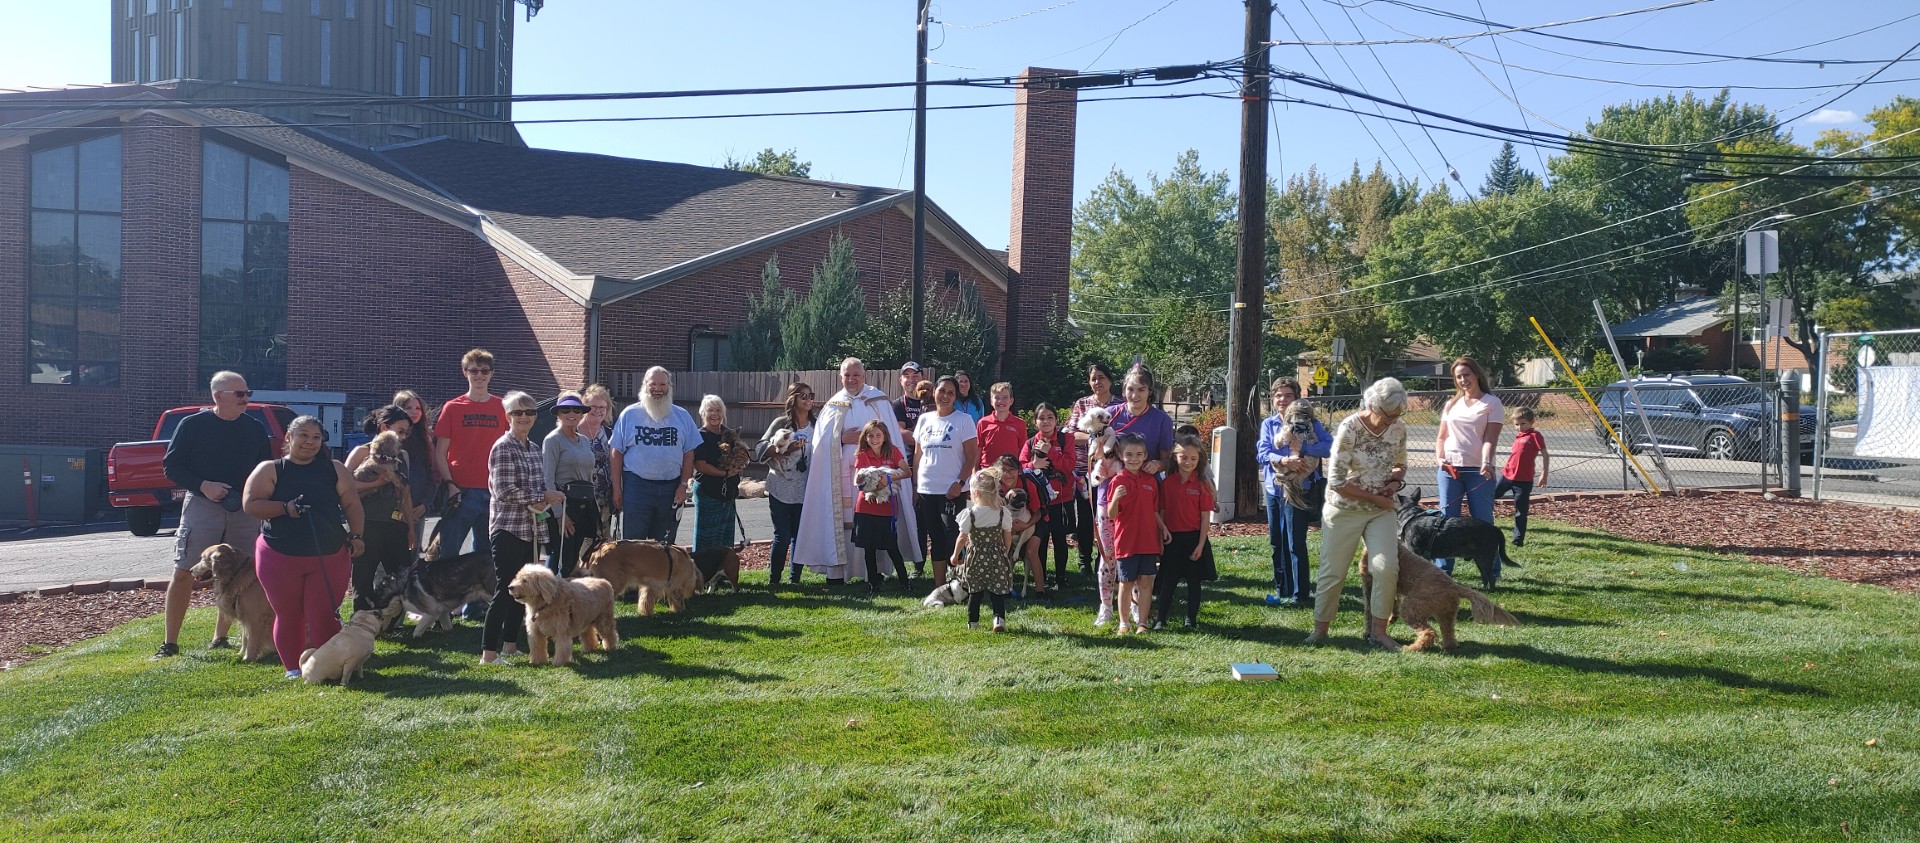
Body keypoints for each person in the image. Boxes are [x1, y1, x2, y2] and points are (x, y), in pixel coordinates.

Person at [155, 370, 273, 658]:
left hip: (244, 507)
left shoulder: (254, 427)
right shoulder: (192, 425)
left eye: (248, 393)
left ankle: (221, 637)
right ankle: (170, 644)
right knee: (185, 570)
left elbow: (264, 468)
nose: (246, 399)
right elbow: (172, 466)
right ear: (219, 396)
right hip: (202, 504)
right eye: (240, 394)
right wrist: (203, 485)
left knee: (243, 574)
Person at [241, 416, 366, 679]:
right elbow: (251, 504)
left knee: (323, 615)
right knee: (289, 615)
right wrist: (284, 509)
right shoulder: (270, 469)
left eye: (316, 437)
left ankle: (327, 666)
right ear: (288, 438)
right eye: (303, 436)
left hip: (329, 553)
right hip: (279, 556)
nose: (310, 442)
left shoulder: (335, 469)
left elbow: (352, 504)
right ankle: (294, 669)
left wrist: (357, 536)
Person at [1307, 378, 1411, 651]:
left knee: (1386, 568)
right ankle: (1320, 630)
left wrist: (1394, 483)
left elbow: (1400, 465)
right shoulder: (1350, 427)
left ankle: (1379, 631)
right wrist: (1378, 498)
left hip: (1380, 511)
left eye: (1397, 416)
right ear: (1372, 405)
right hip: (1344, 509)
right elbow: (1338, 480)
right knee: (1334, 572)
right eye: (1389, 415)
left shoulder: (1398, 428)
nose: (1392, 421)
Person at [796, 358, 921, 583]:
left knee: (873, 521)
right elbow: (819, 444)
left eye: (856, 375)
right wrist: (841, 438)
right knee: (843, 521)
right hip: (842, 477)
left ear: (864, 376)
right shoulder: (833, 405)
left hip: (874, 476)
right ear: (840, 377)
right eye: (847, 375)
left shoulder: (878, 401)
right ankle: (838, 571)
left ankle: (873, 571)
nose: (851, 380)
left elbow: (891, 437)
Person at [481, 392, 565, 665]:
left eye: (529, 412)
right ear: (508, 417)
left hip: (530, 529)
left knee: (525, 594)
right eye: (518, 413)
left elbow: (536, 487)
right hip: (507, 528)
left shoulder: (532, 447)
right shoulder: (502, 447)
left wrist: (545, 496)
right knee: (507, 588)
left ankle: (509, 646)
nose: (524, 417)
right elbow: (504, 491)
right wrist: (541, 498)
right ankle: (488, 654)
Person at [1257, 377, 1331, 607]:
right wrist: (1284, 460)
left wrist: (1304, 448)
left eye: (1288, 395)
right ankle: (1282, 589)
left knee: (1295, 542)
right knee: (1276, 542)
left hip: (1299, 489)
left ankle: (1300, 594)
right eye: (1278, 395)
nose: (1282, 399)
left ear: (1296, 398)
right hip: (1274, 489)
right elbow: (1262, 454)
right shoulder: (1269, 424)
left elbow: (1329, 446)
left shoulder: (1311, 423)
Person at [609, 367, 699, 543]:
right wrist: (617, 488)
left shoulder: (682, 416)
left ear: (669, 387)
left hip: (671, 488)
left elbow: (689, 454)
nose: (658, 388)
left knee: (664, 545)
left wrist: (683, 485)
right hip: (637, 487)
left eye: (662, 384)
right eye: (653, 384)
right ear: (645, 385)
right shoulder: (629, 414)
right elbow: (616, 453)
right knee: (634, 545)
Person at [344, 405, 421, 610]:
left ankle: (392, 619)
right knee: (363, 576)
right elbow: (344, 487)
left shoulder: (402, 456)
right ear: (384, 427)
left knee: (400, 575)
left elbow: (406, 493)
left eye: (406, 432)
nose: (403, 436)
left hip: (395, 525)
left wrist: (411, 528)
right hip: (366, 523)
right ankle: (361, 619)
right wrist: (375, 484)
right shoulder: (362, 451)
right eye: (400, 430)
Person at [1434, 356, 1504, 578]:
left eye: (1467, 375)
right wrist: (1439, 458)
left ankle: (1491, 571)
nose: (1463, 380)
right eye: (1458, 377)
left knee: (1482, 522)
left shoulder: (1491, 403)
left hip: (1478, 472)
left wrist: (1486, 462)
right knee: (1446, 521)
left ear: (1477, 375)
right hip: (1450, 470)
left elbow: (1490, 440)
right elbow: (1441, 437)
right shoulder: (1451, 404)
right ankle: (1442, 572)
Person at [432, 349, 505, 558]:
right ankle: (448, 592)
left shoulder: (502, 407)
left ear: (491, 373)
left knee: (486, 556)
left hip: (493, 491)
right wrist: (450, 484)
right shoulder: (452, 407)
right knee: (448, 554)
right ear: (465, 372)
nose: (479, 375)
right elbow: (440, 453)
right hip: (460, 492)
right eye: (474, 370)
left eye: (484, 371)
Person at [912, 375, 978, 586]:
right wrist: (915, 486)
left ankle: (959, 584)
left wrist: (959, 483)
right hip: (927, 488)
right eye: (942, 391)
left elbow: (971, 456)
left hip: (953, 489)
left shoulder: (964, 420)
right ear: (934, 392)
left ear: (956, 396)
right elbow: (917, 455)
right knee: (936, 538)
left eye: (951, 393)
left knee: (954, 537)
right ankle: (940, 586)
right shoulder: (924, 419)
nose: (945, 396)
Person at [1105, 433, 1168, 636]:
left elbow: (1154, 510)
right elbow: (1111, 514)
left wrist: (1163, 528)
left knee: (1146, 582)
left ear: (1145, 455)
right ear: (1121, 455)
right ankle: (1124, 623)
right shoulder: (1118, 481)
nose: (1134, 459)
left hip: (1148, 540)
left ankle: (1142, 622)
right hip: (1127, 541)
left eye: (1139, 454)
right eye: (1129, 454)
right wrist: (1115, 499)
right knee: (1126, 582)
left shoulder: (1151, 481)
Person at [755, 382, 816, 585]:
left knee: (799, 536)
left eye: (810, 395)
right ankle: (774, 580)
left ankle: (795, 579)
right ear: (793, 399)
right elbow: (760, 448)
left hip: (805, 487)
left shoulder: (817, 425)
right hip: (780, 486)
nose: (808, 400)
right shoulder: (781, 423)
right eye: (803, 396)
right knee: (782, 535)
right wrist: (784, 450)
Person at [1154, 434, 1216, 630]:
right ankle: (1161, 620)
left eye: (1193, 458)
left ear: (1199, 460)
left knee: (1194, 582)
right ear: (1175, 457)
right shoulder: (1167, 483)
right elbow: (1162, 512)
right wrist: (1161, 538)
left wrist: (1200, 543)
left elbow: (1205, 517)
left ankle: (1190, 620)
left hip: (1193, 538)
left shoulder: (1203, 484)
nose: (1188, 462)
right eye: (1183, 458)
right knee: (1168, 582)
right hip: (1172, 538)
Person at [1065, 363, 1116, 576]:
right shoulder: (1082, 404)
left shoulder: (1120, 405)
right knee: (1086, 516)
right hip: (1084, 470)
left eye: (1101, 377)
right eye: (1093, 378)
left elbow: (1121, 433)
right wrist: (1095, 438)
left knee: (1108, 516)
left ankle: (1104, 558)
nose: (1097, 382)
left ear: (1110, 380)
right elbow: (1070, 434)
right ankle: (1084, 559)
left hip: (1111, 470)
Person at [543, 392, 600, 577]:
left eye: (576, 409)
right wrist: (560, 515)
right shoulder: (553, 440)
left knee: (577, 556)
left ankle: (571, 599)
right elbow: (548, 480)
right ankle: (547, 597)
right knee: (560, 556)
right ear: (558, 414)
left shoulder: (583, 440)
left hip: (585, 505)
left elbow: (588, 475)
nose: (571, 413)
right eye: (565, 409)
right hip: (564, 505)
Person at [1021, 402, 1076, 590]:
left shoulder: (1065, 439)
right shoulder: (1029, 442)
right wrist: (1033, 465)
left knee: (1060, 539)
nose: (1046, 421)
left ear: (1056, 420)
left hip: (1062, 498)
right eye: (1041, 418)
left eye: (1050, 417)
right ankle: (1041, 576)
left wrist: (1050, 451)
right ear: (1035, 421)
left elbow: (1069, 466)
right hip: (1039, 501)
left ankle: (1061, 577)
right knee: (1041, 540)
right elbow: (1020, 468)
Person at [852, 420, 912, 593]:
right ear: (865, 437)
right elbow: (858, 481)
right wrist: (868, 482)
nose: (874, 439)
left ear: (885, 436)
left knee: (892, 546)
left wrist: (888, 479)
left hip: (886, 508)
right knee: (868, 548)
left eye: (878, 435)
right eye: (870, 435)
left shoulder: (893, 451)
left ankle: (905, 582)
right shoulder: (863, 454)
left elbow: (907, 472)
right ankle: (873, 583)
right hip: (866, 507)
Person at [951, 470, 1012, 632]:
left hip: (975, 558)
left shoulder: (970, 514)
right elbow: (1007, 534)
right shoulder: (1001, 512)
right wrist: (1005, 550)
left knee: (975, 592)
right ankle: (998, 619)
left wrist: (955, 555)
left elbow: (962, 538)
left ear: (975, 493)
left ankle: (973, 623)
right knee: (997, 591)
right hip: (996, 557)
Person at [690, 395, 743, 555]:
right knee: (706, 538)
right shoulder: (699, 435)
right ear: (702, 413)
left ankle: (722, 574)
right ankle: (702, 574)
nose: (715, 414)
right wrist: (725, 473)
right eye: (710, 410)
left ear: (723, 413)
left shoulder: (729, 434)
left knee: (725, 537)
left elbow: (739, 456)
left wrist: (741, 461)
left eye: (718, 410)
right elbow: (700, 465)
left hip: (728, 491)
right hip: (708, 491)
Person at [993, 453, 1050, 599]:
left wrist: (1025, 525)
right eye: (1003, 470)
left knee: (1031, 551)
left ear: (1019, 470)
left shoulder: (1027, 484)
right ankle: (1002, 587)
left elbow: (1038, 512)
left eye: (1011, 470)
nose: (1007, 474)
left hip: (1034, 520)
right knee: (1003, 551)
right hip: (1007, 523)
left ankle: (1040, 591)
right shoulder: (995, 486)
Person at [1495, 407, 1549, 547]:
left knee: (1521, 510)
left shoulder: (1535, 436)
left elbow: (1545, 454)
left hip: (1523, 481)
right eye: (1517, 424)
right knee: (1489, 497)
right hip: (1507, 476)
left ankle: (1518, 538)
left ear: (1531, 422)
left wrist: (1544, 473)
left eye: (1523, 424)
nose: (1519, 427)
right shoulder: (1519, 436)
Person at [1109, 367, 1175, 474]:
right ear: (1123, 391)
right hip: (1113, 481)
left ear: (1149, 391)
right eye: (1130, 389)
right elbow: (1095, 453)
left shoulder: (1162, 420)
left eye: (1141, 389)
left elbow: (1168, 461)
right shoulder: (1109, 415)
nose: (1135, 396)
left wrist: (1157, 465)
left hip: (1146, 483)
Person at [577, 384, 618, 541]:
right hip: (579, 497)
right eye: (593, 406)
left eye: (602, 407)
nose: (598, 411)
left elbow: (615, 463)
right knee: (581, 541)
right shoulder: (574, 432)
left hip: (604, 497)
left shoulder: (609, 434)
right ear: (584, 406)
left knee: (604, 542)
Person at [975, 381, 1028, 469]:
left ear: (1011, 401)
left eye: (1005, 397)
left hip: (1010, 471)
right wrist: (974, 473)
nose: (1001, 401)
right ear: (991, 401)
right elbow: (978, 450)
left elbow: (1024, 451)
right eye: (997, 397)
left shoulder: (1020, 424)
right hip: (988, 470)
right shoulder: (983, 423)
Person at [892, 361, 926, 443]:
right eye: (907, 376)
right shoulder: (897, 405)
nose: (911, 380)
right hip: (907, 454)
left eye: (915, 376)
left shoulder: (933, 403)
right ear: (901, 380)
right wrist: (929, 441)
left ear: (923, 378)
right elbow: (901, 433)